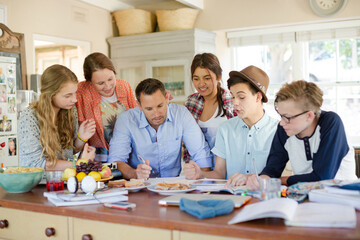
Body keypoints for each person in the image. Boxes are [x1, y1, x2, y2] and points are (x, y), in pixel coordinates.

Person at [246, 80, 357, 190]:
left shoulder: (331, 122)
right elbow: (272, 169)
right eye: (280, 115)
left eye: (287, 117)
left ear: (309, 116)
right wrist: (263, 179)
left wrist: (279, 181)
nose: (281, 122)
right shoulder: (285, 128)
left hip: (343, 196)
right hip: (306, 196)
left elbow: (322, 177)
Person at [184, 66, 279, 186]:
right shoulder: (225, 129)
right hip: (232, 200)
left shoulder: (278, 131)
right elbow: (219, 173)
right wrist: (201, 174)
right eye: (233, 96)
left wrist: (250, 178)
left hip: (265, 199)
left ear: (258, 97)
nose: (235, 103)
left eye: (241, 97)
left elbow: (281, 177)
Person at [108, 78, 212, 179]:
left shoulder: (181, 114)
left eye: (160, 106)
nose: (156, 114)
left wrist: (201, 180)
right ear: (139, 105)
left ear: (167, 98)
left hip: (173, 186)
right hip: (139, 187)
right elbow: (114, 162)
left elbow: (201, 153)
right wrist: (134, 174)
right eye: (149, 109)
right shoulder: (125, 120)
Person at [19, 64, 96, 170]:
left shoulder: (70, 110)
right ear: (50, 95)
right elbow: (36, 163)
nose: (74, 100)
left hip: (61, 180)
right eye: (68, 96)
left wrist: (81, 138)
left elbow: (70, 151)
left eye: (75, 93)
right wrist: (79, 164)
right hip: (35, 183)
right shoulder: (29, 117)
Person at [76, 52, 138, 162]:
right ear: (89, 81)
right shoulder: (82, 91)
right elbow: (81, 125)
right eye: (100, 83)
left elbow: (137, 116)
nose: (108, 86)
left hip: (128, 154)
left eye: (110, 79)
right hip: (98, 158)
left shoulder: (124, 85)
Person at [184, 53, 236, 167]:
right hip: (198, 170)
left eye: (207, 78)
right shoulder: (191, 102)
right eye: (196, 78)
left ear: (218, 77)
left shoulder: (232, 101)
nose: (201, 84)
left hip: (226, 170)